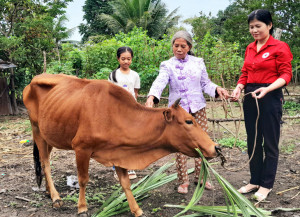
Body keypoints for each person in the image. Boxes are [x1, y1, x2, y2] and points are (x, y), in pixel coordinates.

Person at [145, 31, 229, 194]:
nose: (179, 49)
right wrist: (152, 96)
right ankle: (183, 180)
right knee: (179, 145)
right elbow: (160, 81)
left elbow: (206, 84)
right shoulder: (167, 65)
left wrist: (217, 89)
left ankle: (201, 177)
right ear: (172, 46)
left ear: (189, 47)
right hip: (178, 112)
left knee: (203, 142)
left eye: (183, 46)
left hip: (198, 108)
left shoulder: (198, 62)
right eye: (176, 46)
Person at [231, 9, 293, 202]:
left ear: (269, 25)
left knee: (270, 142)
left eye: (258, 26)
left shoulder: (280, 47)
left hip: (270, 96)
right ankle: (254, 180)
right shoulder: (250, 48)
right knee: (253, 140)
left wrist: (267, 89)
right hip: (251, 96)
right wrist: (239, 87)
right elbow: (245, 72)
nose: (254, 30)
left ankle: (266, 184)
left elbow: (286, 75)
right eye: (251, 27)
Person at [109, 46, 141, 180]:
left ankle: (130, 165)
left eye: (128, 59)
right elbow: (110, 94)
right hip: (117, 111)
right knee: (117, 139)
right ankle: (116, 167)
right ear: (118, 59)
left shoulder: (135, 75)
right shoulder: (114, 75)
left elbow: (135, 93)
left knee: (131, 138)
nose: (126, 61)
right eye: (123, 59)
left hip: (131, 111)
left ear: (132, 60)